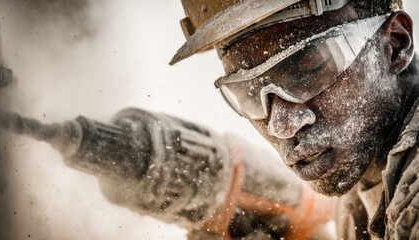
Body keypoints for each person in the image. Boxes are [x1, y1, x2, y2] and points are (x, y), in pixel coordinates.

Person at [170, 0, 419, 239]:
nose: (281, 126)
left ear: (395, 45)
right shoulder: (362, 179)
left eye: (309, 70)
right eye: (247, 94)